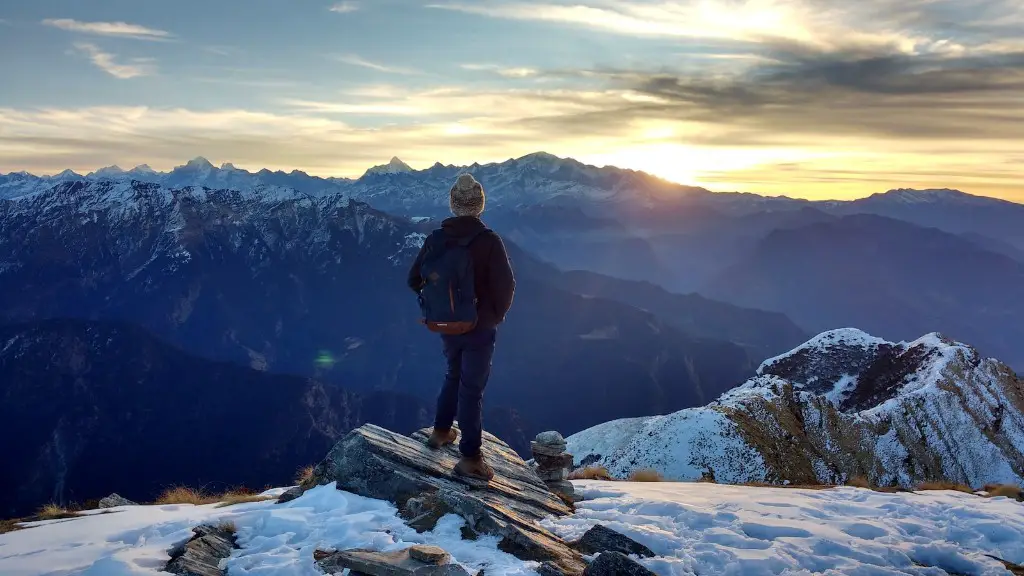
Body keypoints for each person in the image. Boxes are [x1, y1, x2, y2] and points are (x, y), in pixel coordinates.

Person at [407, 173, 515, 481]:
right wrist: (491, 316)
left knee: (453, 373)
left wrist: (438, 305)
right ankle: (470, 458)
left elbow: (414, 280)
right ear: (480, 206)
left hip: (445, 324)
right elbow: (506, 287)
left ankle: (441, 431)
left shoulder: (436, 239)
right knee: (472, 389)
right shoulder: (489, 241)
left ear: (453, 205)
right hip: (479, 327)